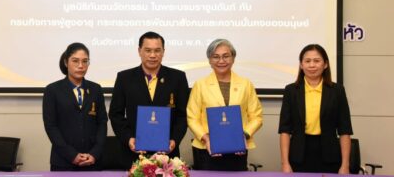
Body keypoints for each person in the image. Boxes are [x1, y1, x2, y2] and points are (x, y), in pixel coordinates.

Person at [108, 31, 190, 167]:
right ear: (139, 51)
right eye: (148, 50)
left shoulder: (178, 78)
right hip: (133, 154)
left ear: (163, 52)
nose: (153, 55)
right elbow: (115, 114)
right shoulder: (124, 78)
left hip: (167, 155)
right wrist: (129, 139)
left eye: (157, 50)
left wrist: (174, 140)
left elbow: (183, 115)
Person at [187, 39, 263, 171]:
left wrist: (244, 135)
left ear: (233, 58)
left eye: (226, 56)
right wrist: (206, 138)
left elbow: (256, 116)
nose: (221, 61)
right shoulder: (200, 85)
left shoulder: (246, 84)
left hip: (238, 148)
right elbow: (192, 117)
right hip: (206, 148)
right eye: (216, 57)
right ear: (210, 60)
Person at [278, 44, 353, 174]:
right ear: (301, 65)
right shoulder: (291, 90)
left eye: (317, 61)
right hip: (298, 156)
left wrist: (345, 165)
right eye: (307, 61)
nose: (312, 65)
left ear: (325, 64)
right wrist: (285, 163)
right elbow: (284, 130)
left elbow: (345, 130)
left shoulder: (337, 91)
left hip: (330, 156)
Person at [43, 42, 108, 171]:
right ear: (66, 62)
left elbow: (102, 123)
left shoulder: (96, 89)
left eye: (85, 61)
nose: (80, 66)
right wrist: (71, 155)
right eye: (75, 61)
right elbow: (51, 127)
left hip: (92, 161)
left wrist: (95, 153)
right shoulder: (52, 90)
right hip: (63, 161)